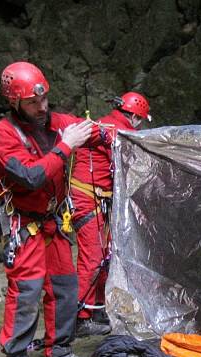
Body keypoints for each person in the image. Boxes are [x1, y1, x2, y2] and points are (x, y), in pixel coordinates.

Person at [0, 61, 100, 357]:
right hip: (25, 223)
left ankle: (59, 352)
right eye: (33, 102)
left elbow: (91, 132)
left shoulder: (52, 123)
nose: (42, 107)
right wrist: (67, 145)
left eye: (45, 99)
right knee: (26, 293)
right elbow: (32, 177)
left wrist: (110, 135)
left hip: (53, 222)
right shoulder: (2, 136)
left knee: (65, 287)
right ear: (14, 102)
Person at [71, 92, 151, 337]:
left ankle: (95, 309)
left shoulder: (111, 125)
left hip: (98, 199)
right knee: (93, 259)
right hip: (87, 199)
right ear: (135, 116)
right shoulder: (114, 129)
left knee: (104, 256)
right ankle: (79, 317)